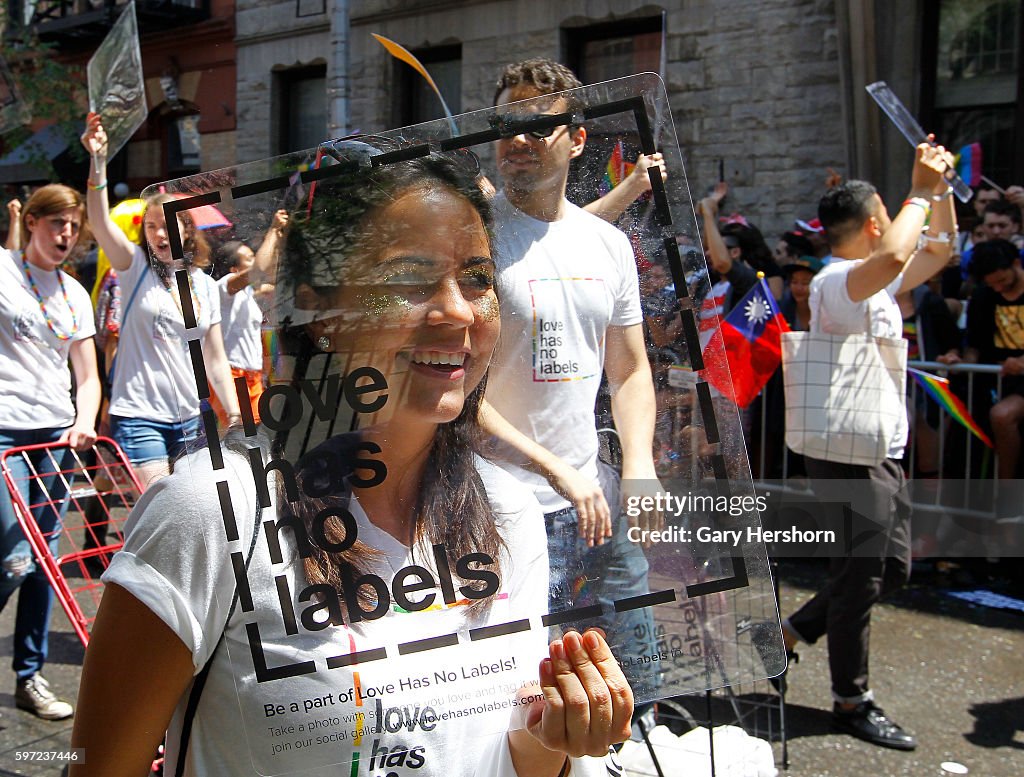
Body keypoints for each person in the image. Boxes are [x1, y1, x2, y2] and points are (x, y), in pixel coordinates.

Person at [70, 148, 632, 777]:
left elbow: (508, 757)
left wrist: (554, 733)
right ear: (322, 311)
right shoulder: (208, 515)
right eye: (410, 280)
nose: (457, 311)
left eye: (477, 278)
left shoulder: (510, 514)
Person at [478, 58, 659, 698]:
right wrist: (551, 468)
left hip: (595, 500)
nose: (519, 139)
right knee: (522, 694)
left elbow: (631, 367)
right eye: (507, 124)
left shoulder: (605, 244)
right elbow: (452, 392)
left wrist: (638, 464)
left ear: (576, 139)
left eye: (538, 126)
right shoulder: (474, 239)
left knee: (620, 683)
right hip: (494, 506)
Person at [779, 138, 957, 750]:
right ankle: (851, 699)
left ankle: (791, 634)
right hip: (846, 451)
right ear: (876, 221)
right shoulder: (835, 282)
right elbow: (895, 255)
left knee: (892, 570)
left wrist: (944, 192)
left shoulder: (871, 280)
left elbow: (940, 248)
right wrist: (922, 190)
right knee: (860, 579)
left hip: (879, 446)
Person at [80, 112, 240, 488]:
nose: (158, 234)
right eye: (150, 226)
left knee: (187, 509)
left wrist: (233, 412)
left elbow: (215, 358)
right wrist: (98, 161)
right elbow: (98, 221)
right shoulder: (133, 266)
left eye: (167, 225)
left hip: (190, 417)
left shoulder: (203, 284)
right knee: (156, 501)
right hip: (139, 415)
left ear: (187, 230)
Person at [0, 184, 100, 719]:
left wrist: (84, 421)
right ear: (33, 221)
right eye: (56, 222)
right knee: (15, 557)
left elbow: (87, 375)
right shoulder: (3, 271)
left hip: (57, 438)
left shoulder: (75, 294)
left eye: (72, 226)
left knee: (44, 563)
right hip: (4, 434)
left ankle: (29, 677)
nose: (65, 234)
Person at [940, 239, 1024, 483]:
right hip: (992, 382)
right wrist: (959, 360)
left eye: (1003, 281)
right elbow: (974, 345)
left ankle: (1007, 494)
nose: (999, 288)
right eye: (992, 284)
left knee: (1002, 415)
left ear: (1016, 264)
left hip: (1018, 387)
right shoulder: (983, 296)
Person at [209, 238, 275, 425]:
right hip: (232, 374)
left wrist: (278, 236)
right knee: (236, 432)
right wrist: (273, 229)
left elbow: (266, 276)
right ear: (234, 270)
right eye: (249, 259)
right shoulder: (223, 287)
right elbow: (260, 269)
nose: (255, 261)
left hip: (252, 374)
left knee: (252, 429)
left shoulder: (247, 294)